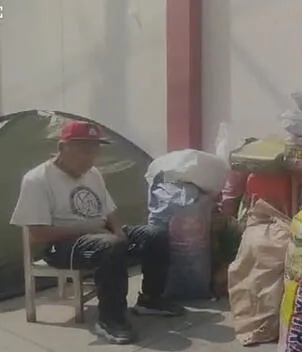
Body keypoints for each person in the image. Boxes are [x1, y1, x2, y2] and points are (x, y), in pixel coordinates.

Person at [10, 120, 184, 345]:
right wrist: (89, 230)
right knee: (110, 246)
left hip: (99, 234)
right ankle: (110, 319)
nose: (90, 159)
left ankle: (150, 299)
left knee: (154, 234)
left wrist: (119, 231)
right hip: (61, 245)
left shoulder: (92, 173)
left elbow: (109, 210)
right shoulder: (37, 179)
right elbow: (37, 235)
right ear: (63, 148)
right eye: (84, 152)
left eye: (94, 152)